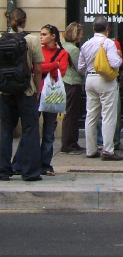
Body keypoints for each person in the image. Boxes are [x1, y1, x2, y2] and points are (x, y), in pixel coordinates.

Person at [0, 8, 44, 181]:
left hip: (4, 91)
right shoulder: (32, 40)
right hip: (26, 90)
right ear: (24, 21)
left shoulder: (1, 39)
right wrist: (37, 91)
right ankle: (30, 171)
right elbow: (38, 70)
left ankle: (3, 170)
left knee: (5, 129)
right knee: (30, 129)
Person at [78, 19, 123, 161]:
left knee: (91, 115)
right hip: (106, 80)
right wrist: (120, 57)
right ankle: (108, 150)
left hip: (90, 79)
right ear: (107, 29)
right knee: (108, 116)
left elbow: (80, 67)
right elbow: (115, 62)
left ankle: (90, 150)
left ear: (93, 29)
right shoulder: (108, 43)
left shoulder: (86, 44)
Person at [35, 24, 70, 176]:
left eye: (44, 34)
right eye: (40, 34)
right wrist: (52, 66)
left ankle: (45, 164)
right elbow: (33, 67)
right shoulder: (37, 50)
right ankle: (30, 162)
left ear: (53, 36)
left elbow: (61, 71)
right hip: (36, 93)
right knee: (31, 131)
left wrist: (44, 67)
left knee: (49, 132)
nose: (41, 37)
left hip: (51, 95)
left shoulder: (62, 53)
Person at [58, 22, 86, 155]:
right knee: (72, 114)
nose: (81, 37)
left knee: (69, 114)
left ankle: (70, 142)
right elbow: (80, 68)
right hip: (72, 83)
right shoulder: (74, 50)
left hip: (65, 82)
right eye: (80, 34)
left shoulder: (64, 46)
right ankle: (69, 144)